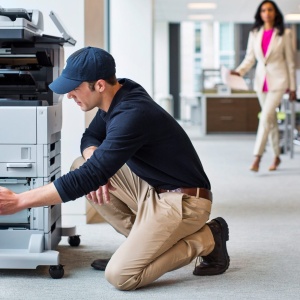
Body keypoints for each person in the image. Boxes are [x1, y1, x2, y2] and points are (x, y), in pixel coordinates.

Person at [0, 47, 230, 291]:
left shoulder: (132, 113)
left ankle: (208, 239)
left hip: (184, 202)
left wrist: (19, 201)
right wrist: (94, 159)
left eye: (75, 88)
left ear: (99, 85)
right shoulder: (118, 93)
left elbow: (88, 178)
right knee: (83, 164)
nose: (69, 95)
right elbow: (90, 137)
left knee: (121, 276)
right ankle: (142, 247)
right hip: (152, 189)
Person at [231, 0, 297, 172]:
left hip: (280, 81)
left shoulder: (286, 33)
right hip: (261, 82)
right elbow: (250, 58)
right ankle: (276, 156)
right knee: (271, 120)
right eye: (263, 10)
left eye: (270, 10)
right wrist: (239, 72)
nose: (266, 13)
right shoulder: (255, 33)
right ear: (260, 14)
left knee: (265, 116)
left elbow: (290, 62)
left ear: (275, 13)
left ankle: (257, 157)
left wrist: (293, 87)